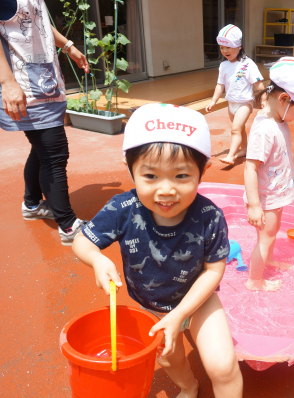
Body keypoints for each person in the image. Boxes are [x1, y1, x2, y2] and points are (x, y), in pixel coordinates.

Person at [73, 104, 243, 398]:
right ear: (131, 170)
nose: (166, 190)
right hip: (152, 306)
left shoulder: (209, 216)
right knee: (168, 358)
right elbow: (82, 242)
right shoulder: (122, 209)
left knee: (223, 366)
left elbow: (214, 270)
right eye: (150, 176)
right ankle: (189, 388)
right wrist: (97, 259)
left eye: (181, 176)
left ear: (203, 172)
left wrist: (180, 315)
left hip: (198, 301)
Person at [0, 0, 90, 245]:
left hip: (43, 75)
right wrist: (7, 83)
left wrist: (67, 46)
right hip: (20, 79)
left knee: (42, 147)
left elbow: (38, 22)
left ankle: (32, 204)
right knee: (54, 152)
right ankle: (68, 226)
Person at [244, 57, 294, 291]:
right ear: (284, 99)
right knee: (266, 238)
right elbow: (250, 167)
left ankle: (268, 261)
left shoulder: (277, 119)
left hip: (275, 195)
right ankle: (254, 280)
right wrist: (254, 205)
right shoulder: (265, 130)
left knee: (273, 232)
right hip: (265, 200)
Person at [206, 24, 266, 165]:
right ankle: (244, 149)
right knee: (240, 128)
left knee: (235, 128)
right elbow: (220, 84)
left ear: (239, 46)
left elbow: (258, 83)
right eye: (222, 47)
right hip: (231, 103)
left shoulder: (248, 64)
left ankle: (231, 156)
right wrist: (213, 100)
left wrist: (264, 99)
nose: (225, 50)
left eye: (228, 47)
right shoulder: (224, 65)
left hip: (244, 103)